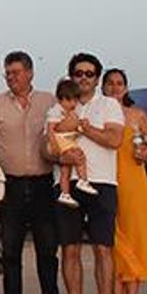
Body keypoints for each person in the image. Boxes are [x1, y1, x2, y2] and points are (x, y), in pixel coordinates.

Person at [0, 51, 59, 294]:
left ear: (30, 73)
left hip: (42, 183)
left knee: (47, 249)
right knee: (11, 249)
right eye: (7, 73)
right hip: (11, 186)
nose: (11, 77)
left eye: (16, 72)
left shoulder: (49, 102)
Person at [50, 53, 124, 294]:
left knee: (103, 248)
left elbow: (114, 139)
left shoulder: (109, 105)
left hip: (102, 182)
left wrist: (83, 127)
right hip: (67, 183)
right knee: (70, 248)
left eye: (89, 74)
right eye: (78, 73)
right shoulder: (58, 106)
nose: (83, 78)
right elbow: (47, 146)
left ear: (97, 78)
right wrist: (61, 156)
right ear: (71, 76)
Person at [101, 68, 147, 294]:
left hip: (134, 182)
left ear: (126, 87)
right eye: (110, 83)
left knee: (135, 239)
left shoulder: (137, 115)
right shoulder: (98, 114)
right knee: (112, 242)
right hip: (107, 179)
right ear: (103, 87)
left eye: (119, 83)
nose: (115, 88)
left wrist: (145, 153)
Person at [45, 80, 99, 209]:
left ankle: (65, 193)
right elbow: (50, 129)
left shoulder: (70, 112)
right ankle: (83, 180)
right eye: (69, 100)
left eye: (75, 100)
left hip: (67, 139)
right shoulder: (56, 111)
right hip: (62, 141)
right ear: (60, 99)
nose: (73, 104)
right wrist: (55, 146)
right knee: (79, 156)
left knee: (65, 170)